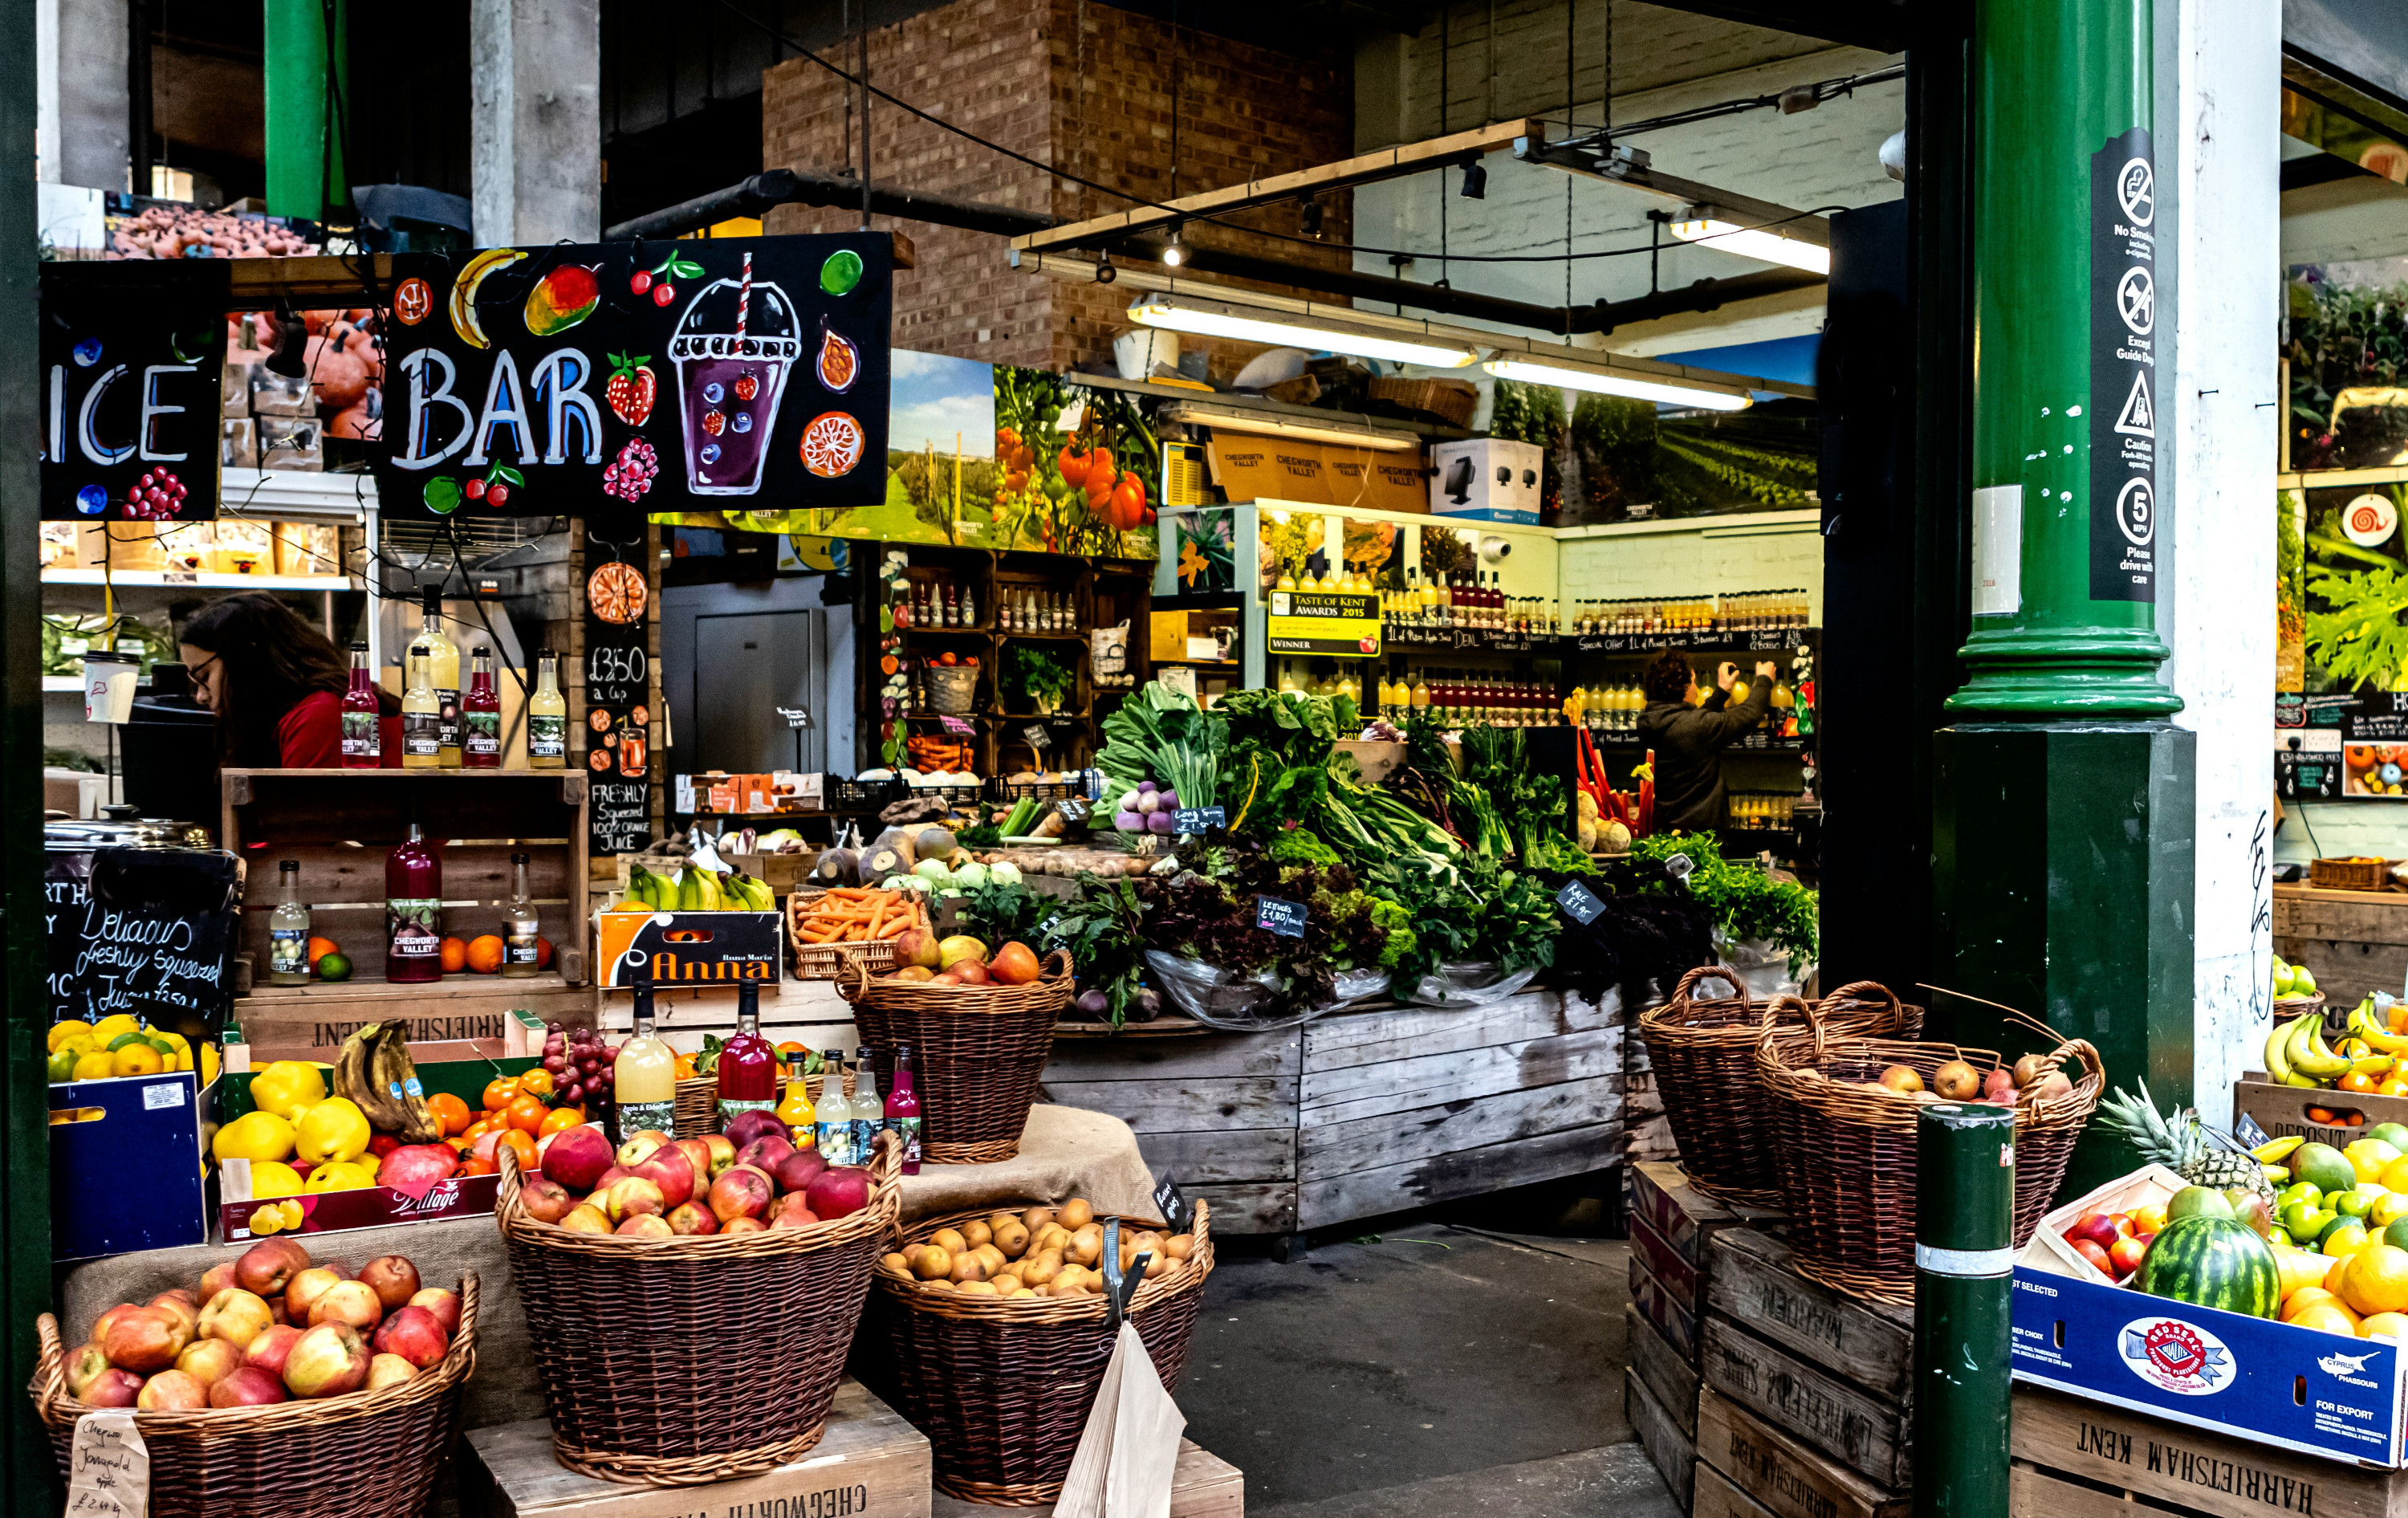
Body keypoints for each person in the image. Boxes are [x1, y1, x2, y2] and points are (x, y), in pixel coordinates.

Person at [178, 591, 398, 768]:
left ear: (247, 660)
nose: (200, 696)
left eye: (204, 677)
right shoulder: (305, 711)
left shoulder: (324, 715)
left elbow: (314, 816)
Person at [1636, 650, 1779, 833]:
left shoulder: (1648, 722)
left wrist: (1721, 693)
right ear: (1684, 688)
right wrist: (1764, 680)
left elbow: (1689, 726)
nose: (1696, 689)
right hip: (1701, 835)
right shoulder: (1696, 726)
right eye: (1694, 682)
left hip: (1664, 829)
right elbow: (1749, 715)